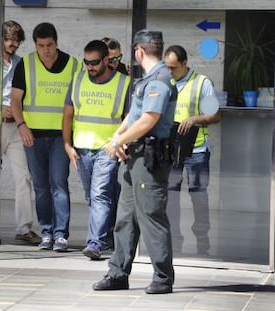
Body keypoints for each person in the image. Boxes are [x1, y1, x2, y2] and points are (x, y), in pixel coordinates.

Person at [93, 30, 177, 294]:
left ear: (139, 51)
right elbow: (133, 115)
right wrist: (119, 135)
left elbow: (149, 119)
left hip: (149, 160)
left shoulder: (160, 79)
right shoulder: (146, 80)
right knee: (126, 218)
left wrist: (118, 142)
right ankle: (118, 273)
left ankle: (163, 278)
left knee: (151, 216)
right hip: (135, 157)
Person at [11, 22, 81, 252]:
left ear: (56, 42)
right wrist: (21, 125)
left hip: (62, 136)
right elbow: (15, 100)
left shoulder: (73, 65)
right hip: (33, 136)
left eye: (49, 45)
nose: (46, 50)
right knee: (40, 186)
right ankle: (47, 232)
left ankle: (61, 234)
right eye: (41, 45)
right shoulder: (26, 64)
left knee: (59, 184)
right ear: (35, 45)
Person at [62, 40, 130, 260]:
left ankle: (95, 243)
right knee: (93, 197)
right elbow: (68, 114)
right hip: (82, 149)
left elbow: (130, 116)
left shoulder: (123, 83)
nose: (89, 67)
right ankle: (106, 237)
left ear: (106, 60)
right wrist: (67, 144)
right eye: (86, 62)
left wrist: (118, 140)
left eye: (94, 63)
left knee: (100, 195)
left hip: (107, 148)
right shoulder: (78, 80)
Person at [164, 45, 221, 255]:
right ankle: (174, 243)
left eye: (174, 68)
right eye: (167, 67)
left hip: (196, 151)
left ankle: (202, 242)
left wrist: (195, 119)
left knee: (199, 197)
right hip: (171, 151)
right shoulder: (164, 82)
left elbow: (215, 116)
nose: (170, 72)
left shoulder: (201, 83)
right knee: (171, 197)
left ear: (185, 63)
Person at [0, 20, 41, 245]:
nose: (13, 44)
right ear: (1, 39)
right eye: (9, 39)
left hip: (16, 126)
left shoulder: (20, 63)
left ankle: (24, 228)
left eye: (16, 40)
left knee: (23, 177)